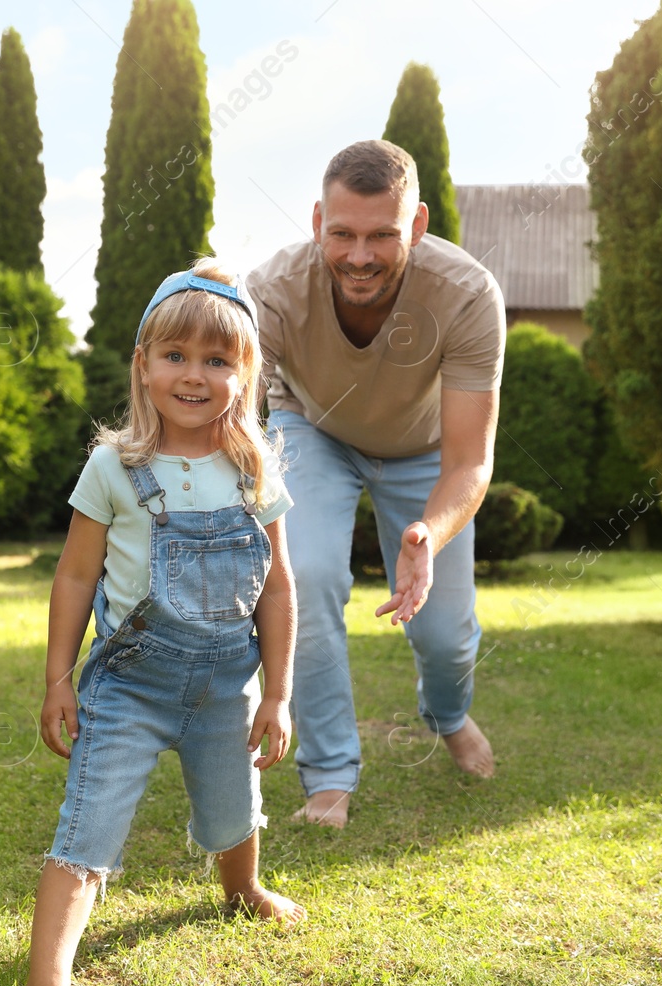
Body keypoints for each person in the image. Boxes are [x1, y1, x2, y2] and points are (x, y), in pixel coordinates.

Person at [21, 258, 306, 986]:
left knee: (233, 807)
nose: (194, 374)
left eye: (218, 360)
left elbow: (278, 588)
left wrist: (277, 693)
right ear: (143, 365)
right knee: (88, 829)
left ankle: (242, 887)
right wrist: (57, 678)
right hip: (129, 689)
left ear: (244, 375)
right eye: (175, 355)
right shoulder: (115, 466)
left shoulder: (255, 469)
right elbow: (76, 574)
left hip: (225, 687)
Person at [247, 140, 505, 830]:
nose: (359, 255)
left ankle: (447, 712)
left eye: (382, 235)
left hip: (425, 454)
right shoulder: (270, 290)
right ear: (317, 222)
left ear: (416, 227)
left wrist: (428, 531)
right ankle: (329, 775)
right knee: (304, 574)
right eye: (343, 234)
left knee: (448, 637)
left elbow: (469, 461)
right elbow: (235, 420)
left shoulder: (468, 295)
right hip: (313, 431)